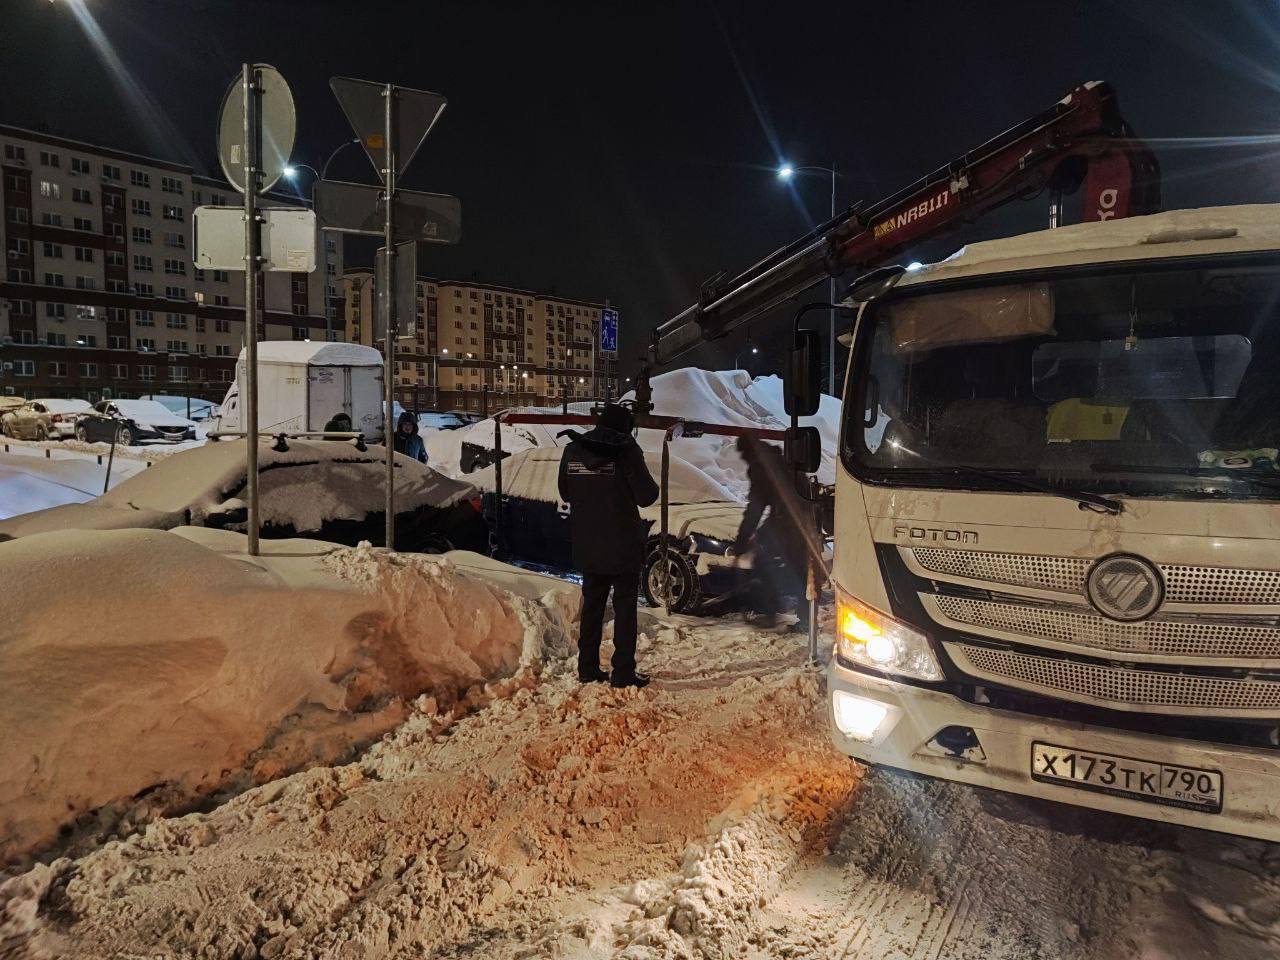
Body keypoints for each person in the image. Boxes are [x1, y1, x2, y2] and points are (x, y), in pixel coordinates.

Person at [558, 403, 659, 688]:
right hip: (623, 545)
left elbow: (565, 490)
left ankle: (587, 668)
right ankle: (623, 672)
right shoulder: (626, 451)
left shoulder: (573, 450)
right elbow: (646, 496)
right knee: (625, 609)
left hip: (588, 542)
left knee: (592, 607)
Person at [733, 434, 815, 630]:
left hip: (789, 523)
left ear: (748, 452)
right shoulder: (781, 459)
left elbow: (756, 507)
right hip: (804, 520)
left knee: (765, 563)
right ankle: (806, 619)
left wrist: (742, 540)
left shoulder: (761, 467)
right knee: (799, 570)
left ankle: (768, 611)